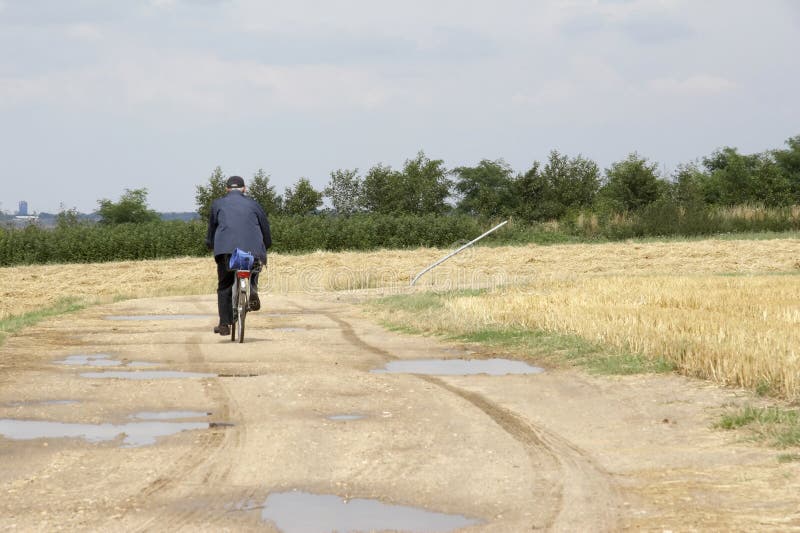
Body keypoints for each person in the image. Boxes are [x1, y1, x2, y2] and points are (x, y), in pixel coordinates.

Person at [205, 175, 272, 336]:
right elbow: (265, 228)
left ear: (227, 189)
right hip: (252, 251)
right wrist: (266, 245)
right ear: (244, 189)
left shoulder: (218, 204)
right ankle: (253, 288)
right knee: (254, 266)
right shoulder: (254, 204)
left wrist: (210, 244)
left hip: (226, 251)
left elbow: (212, 229)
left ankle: (224, 324)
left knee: (225, 286)